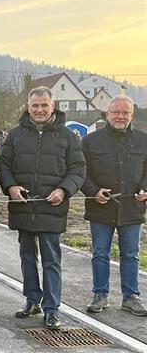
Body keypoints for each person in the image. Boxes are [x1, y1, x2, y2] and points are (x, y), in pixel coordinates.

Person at [0, 86, 85, 330]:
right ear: (28, 107)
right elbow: (4, 165)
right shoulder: (15, 135)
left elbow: (78, 169)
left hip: (52, 207)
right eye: (35, 105)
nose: (39, 109)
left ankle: (52, 308)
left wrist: (64, 190)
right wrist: (11, 187)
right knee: (27, 257)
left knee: (51, 260)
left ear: (52, 106)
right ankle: (32, 299)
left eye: (44, 105)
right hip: (24, 206)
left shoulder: (68, 137)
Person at [81, 95, 147, 316]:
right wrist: (93, 191)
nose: (120, 116)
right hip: (101, 208)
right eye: (116, 112)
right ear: (107, 114)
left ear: (132, 115)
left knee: (131, 254)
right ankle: (100, 294)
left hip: (132, 209)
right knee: (100, 253)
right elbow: (81, 173)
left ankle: (131, 297)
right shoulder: (90, 141)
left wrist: (145, 190)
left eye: (125, 113)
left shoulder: (143, 140)